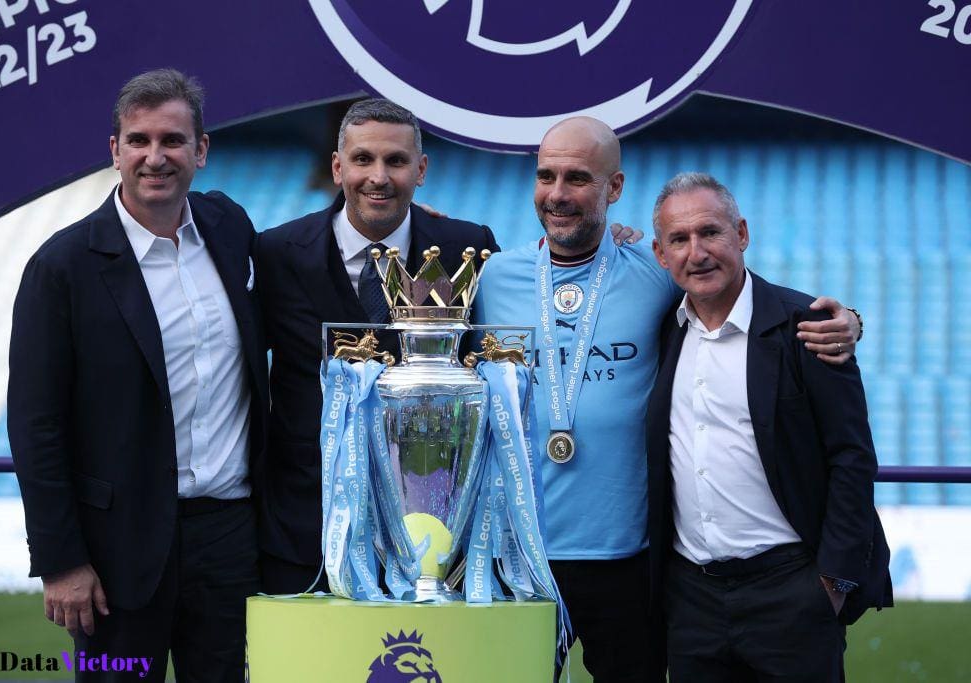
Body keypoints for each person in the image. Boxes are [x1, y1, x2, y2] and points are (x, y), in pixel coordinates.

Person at [473, 118, 861, 682]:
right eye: (546, 176)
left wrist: (850, 321)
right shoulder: (492, 277)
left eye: (578, 177)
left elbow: (746, 294)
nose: (558, 193)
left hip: (629, 561)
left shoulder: (655, 274)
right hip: (519, 555)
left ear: (614, 188)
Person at [8, 69, 267, 682]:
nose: (156, 157)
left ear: (201, 151)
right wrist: (61, 562)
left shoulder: (230, 229)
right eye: (139, 140)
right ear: (115, 151)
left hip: (229, 539)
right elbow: (35, 424)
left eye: (173, 141)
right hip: (115, 552)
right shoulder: (61, 267)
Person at [645, 172, 892, 682]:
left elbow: (852, 455)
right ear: (660, 253)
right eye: (679, 239)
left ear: (742, 234)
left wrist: (832, 582)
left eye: (710, 232)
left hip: (792, 592)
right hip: (692, 599)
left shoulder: (809, 327)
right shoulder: (660, 328)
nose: (697, 252)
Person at [253, 98, 501, 593]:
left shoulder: (467, 248)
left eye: (397, 161)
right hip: (306, 527)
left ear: (421, 170)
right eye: (363, 159)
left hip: (433, 526)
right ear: (337, 166)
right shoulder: (277, 252)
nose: (379, 177)